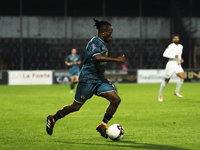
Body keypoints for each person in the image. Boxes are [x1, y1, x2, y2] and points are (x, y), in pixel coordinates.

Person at [46, 18, 126, 138]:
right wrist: (117, 59)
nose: (112, 35)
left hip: (99, 79)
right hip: (87, 79)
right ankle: (53, 118)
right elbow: (96, 58)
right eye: (110, 32)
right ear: (103, 32)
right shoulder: (94, 42)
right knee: (76, 107)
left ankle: (102, 126)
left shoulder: (102, 44)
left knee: (116, 100)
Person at [158, 34, 184, 102]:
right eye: (175, 38)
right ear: (172, 40)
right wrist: (173, 56)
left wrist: (180, 59)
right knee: (166, 80)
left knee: (182, 76)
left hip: (177, 64)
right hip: (171, 64)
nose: (176, 39)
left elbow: (179, 55)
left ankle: (176, 91)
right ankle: (160, 94)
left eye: (177, 38)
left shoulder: (181, 46)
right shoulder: (170, 46)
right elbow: (165, 54)